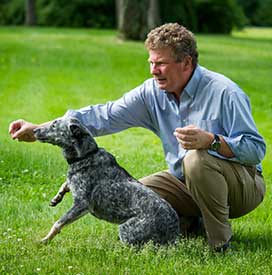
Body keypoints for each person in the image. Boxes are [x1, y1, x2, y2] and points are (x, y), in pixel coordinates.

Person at [9, 23, 266, 251]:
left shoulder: (224, 92)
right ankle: (189, 223)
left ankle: (219, 244)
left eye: (161, 63)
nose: (154, 70)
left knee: (196, 160)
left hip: (242, 187)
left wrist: (212, 141)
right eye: (151, 63)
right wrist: (37, 130)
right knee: (138, 194)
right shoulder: (151, 93)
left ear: (186, 63)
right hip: (185, 182)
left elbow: (255, 149)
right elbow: (104, 116)